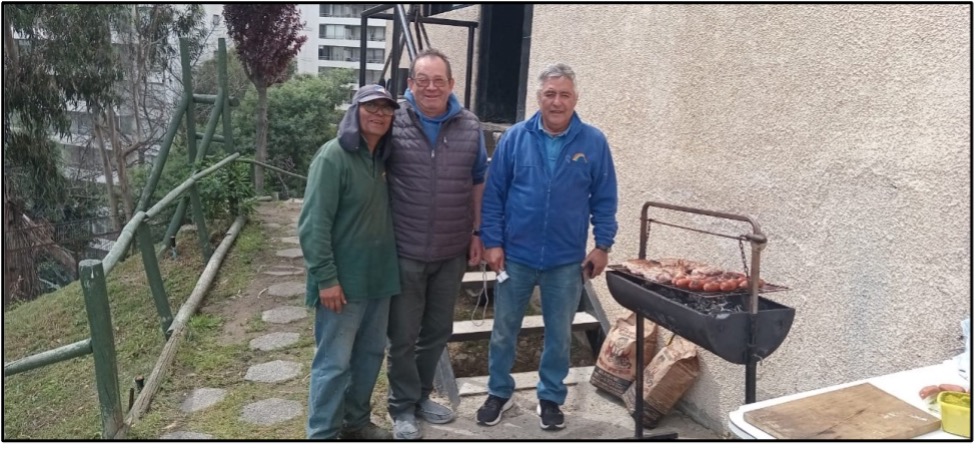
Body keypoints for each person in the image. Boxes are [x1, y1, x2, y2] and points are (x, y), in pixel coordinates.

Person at [477, 63, 619, 431]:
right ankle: (498, 391)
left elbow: (605, 198)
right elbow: (494, 194)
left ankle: (550, 397)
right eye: (550, 94)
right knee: (504, 329)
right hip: (516, 256)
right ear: (538, 97)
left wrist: (602, 245)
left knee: (559, 335)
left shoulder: (593, 142)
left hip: (565, 260)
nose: (557, 102)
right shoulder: (515, 138)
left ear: (576, 98)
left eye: (564, 95)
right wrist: (492, 241)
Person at [385, 48, 489, 440]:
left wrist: (477, 232)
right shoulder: (392, 121)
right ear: (410, 84)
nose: (431, 87)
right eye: (422, 80)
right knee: (403, 336)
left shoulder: (469, 126)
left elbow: (478, 179)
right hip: (404, 249)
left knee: (436, 333)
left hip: (451, 251)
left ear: (451, 84)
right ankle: (401, 408)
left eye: (438, 80)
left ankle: (421, 396)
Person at [299, 84, 402, 440]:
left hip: (380, 280)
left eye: (386, 109)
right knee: (333, 363)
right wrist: (326, 278)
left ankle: (356, 423)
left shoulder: (382, 160)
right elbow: (313, 225)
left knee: (370, 356)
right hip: (342, 284)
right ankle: (323, 433)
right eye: (371, 107)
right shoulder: (333, 157)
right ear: (354, 112)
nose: (379, 114)